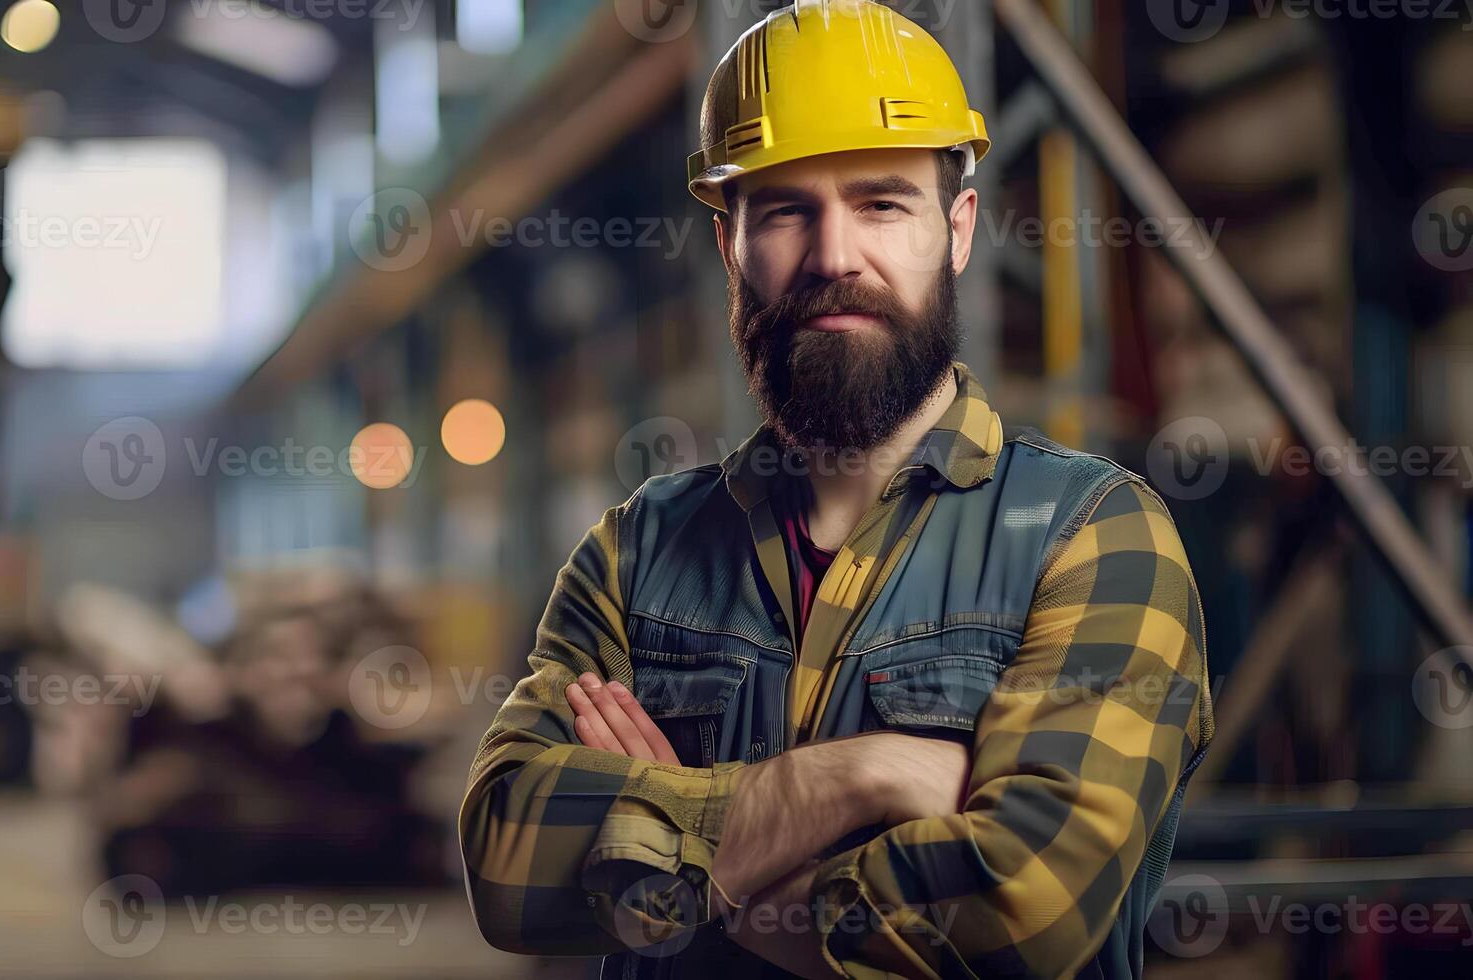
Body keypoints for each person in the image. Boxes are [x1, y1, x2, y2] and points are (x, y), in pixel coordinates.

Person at [459, 2, 1213, 976]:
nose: (833, 256)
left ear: (958, 228)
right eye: (784, 210)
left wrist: (681, 864)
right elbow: (507, 868)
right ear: (730, 243)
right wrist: (861, 776)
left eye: (881, 203)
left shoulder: (1094, 536)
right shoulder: (637, 552)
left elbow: (1026, 910)